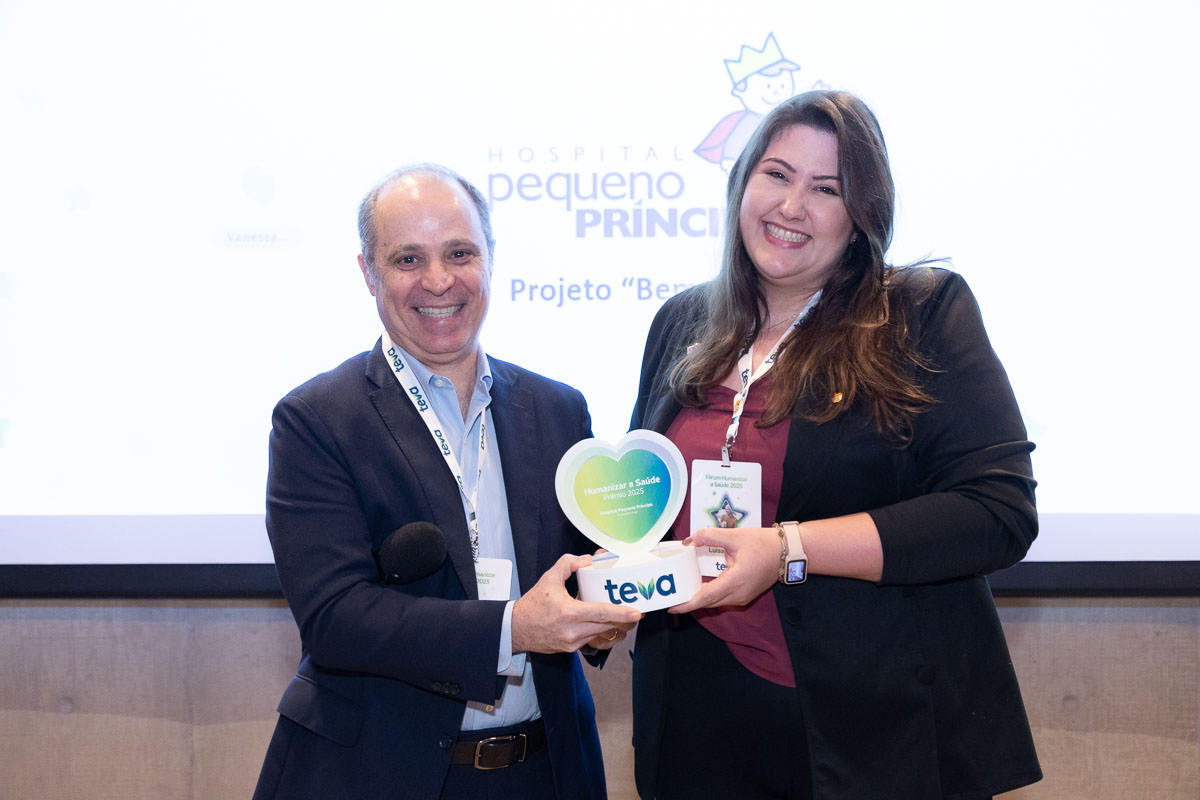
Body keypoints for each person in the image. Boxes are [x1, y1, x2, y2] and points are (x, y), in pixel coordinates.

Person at [629, 90, 1042, 799]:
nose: (791, 206)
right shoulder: (682, 319)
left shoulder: (920, 313)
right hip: (698, 714)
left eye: (827, 189)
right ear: (742, 184)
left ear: (860, 217)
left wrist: (788, 548)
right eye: (777, 174)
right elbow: (650, 493)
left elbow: (997, 511)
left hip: (871, 724)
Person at [253, 164, 641, 800]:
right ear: (369, 273)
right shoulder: (316, 420)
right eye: (408, 258)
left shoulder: (557, 410)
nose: (438, 280)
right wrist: (513, 628)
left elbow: (574, 574)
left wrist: (606, 605)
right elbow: (335, 616)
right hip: (380, 775)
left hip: (546, 771)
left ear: (489, 257)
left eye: (460, 253)